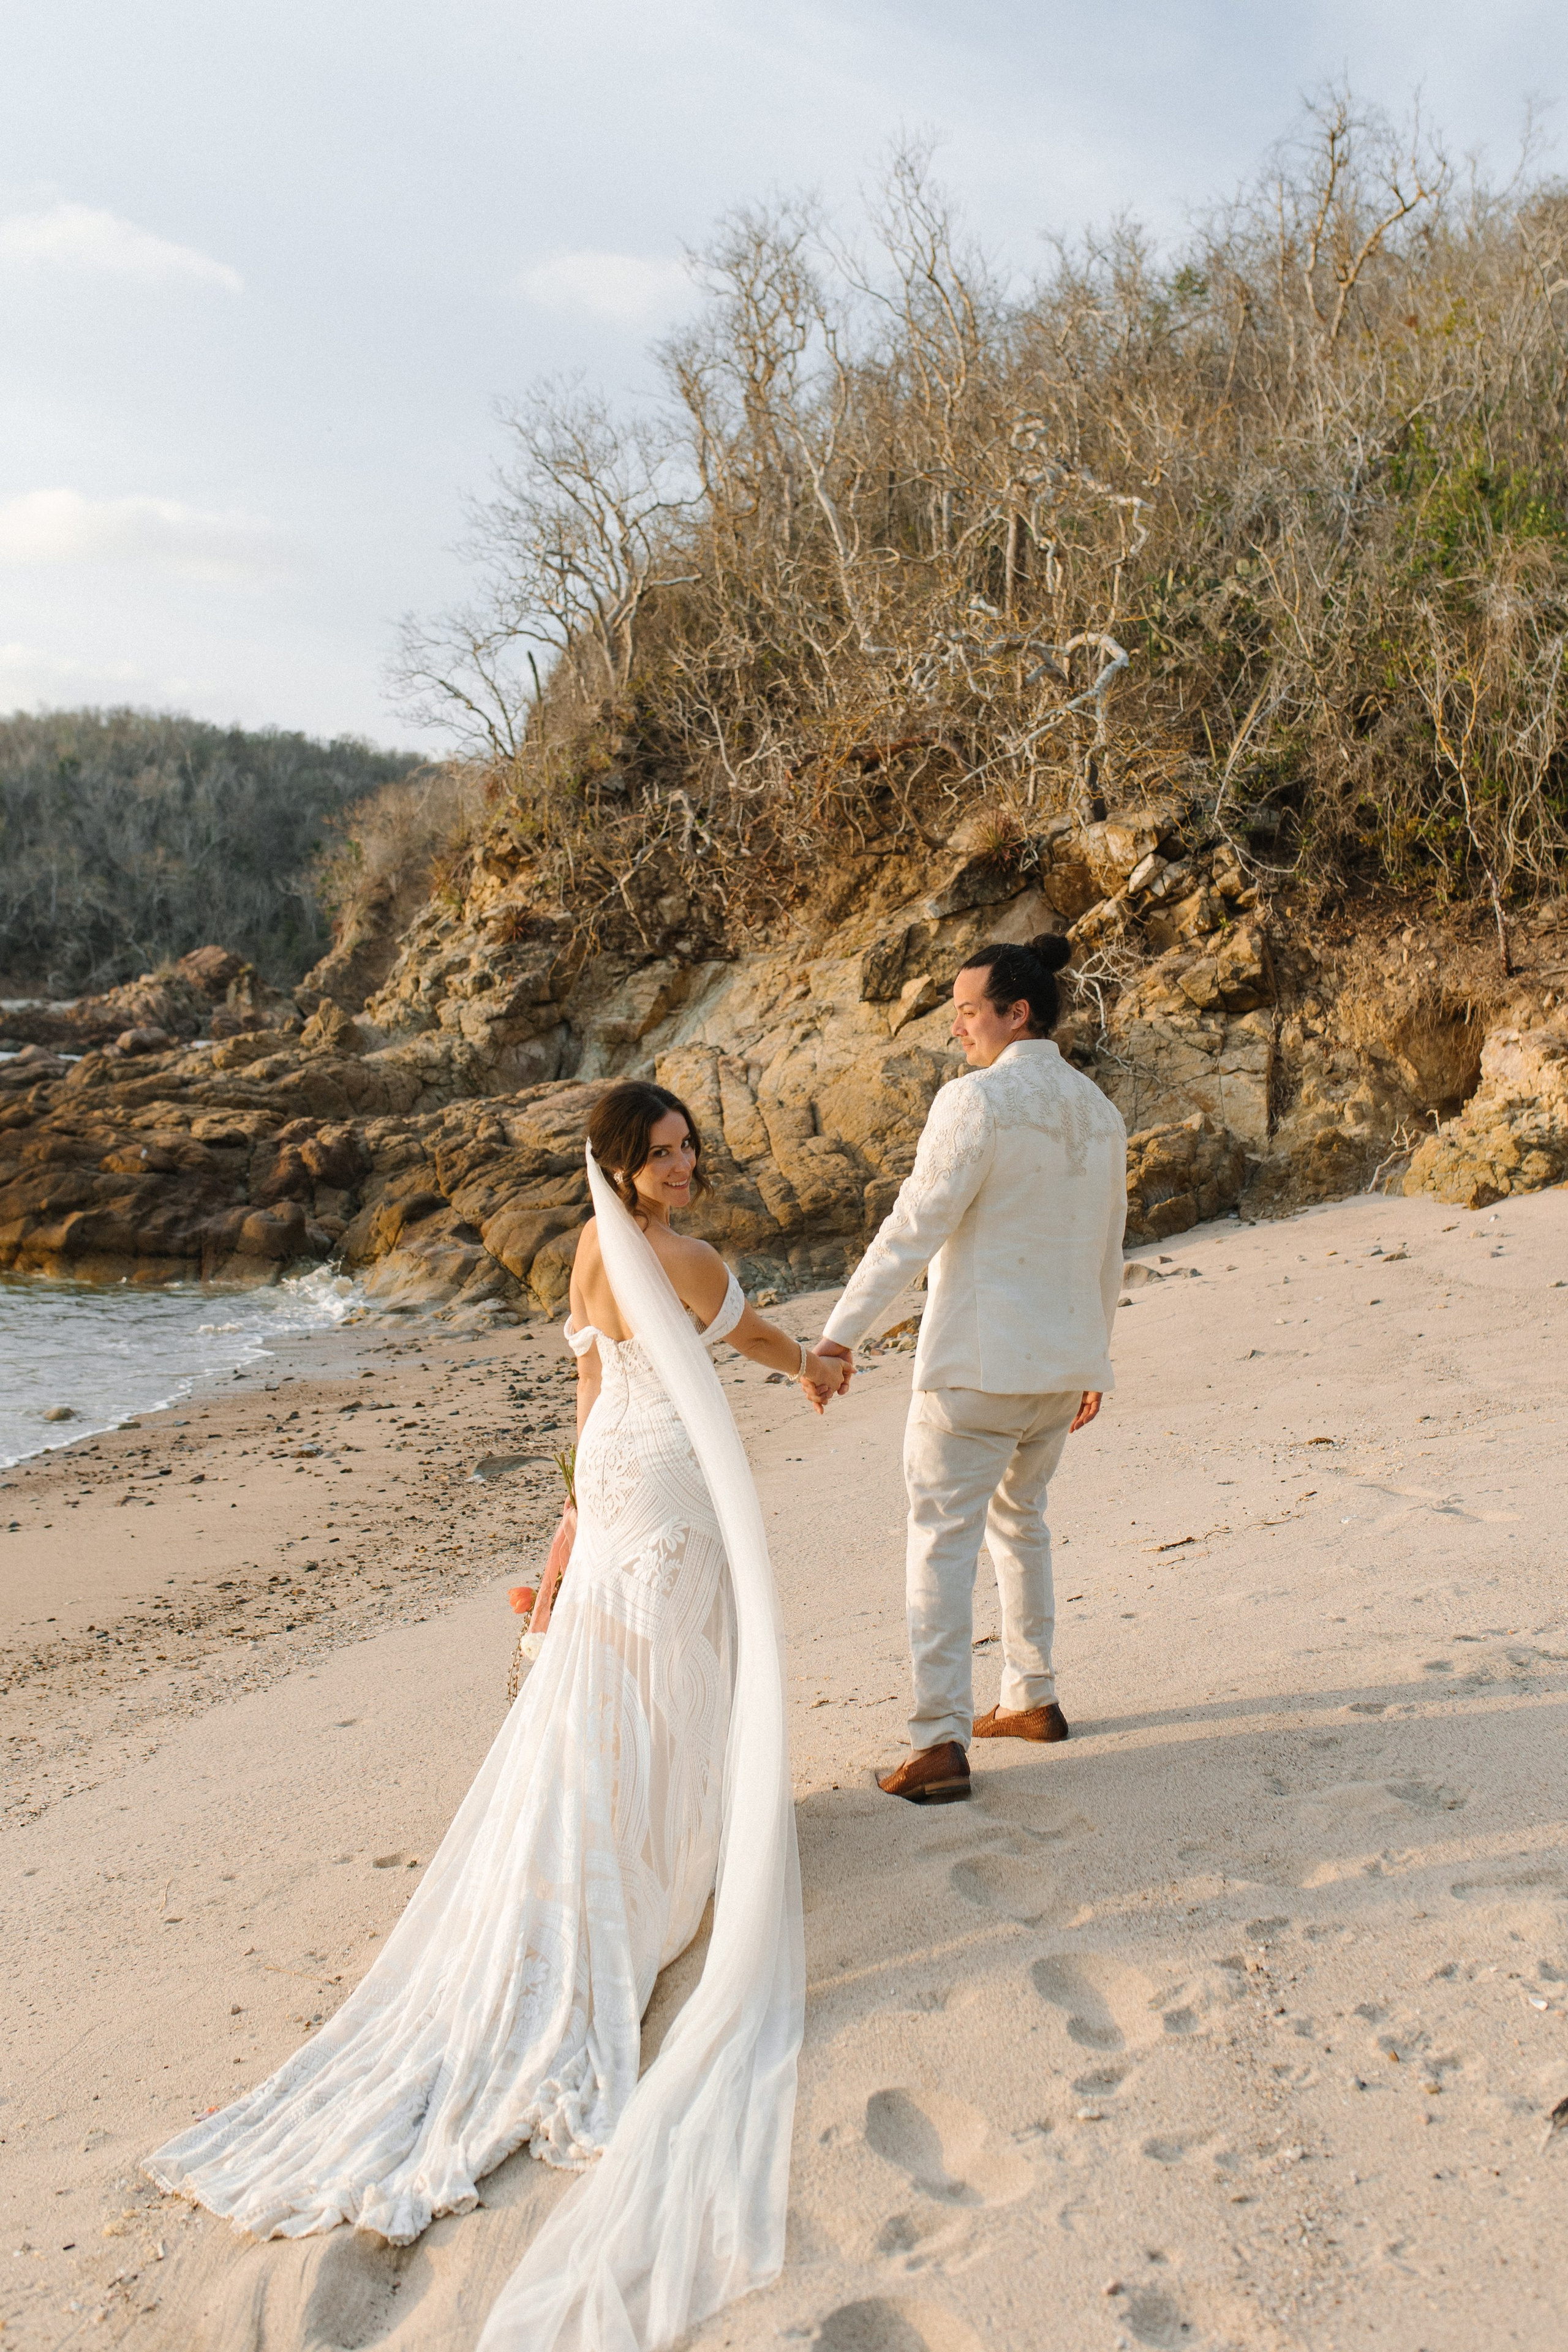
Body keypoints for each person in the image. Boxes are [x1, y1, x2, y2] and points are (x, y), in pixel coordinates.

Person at [143, 1080, 846, 2352]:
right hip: (669, 1493)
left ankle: (630, 1841)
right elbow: (750, 1344)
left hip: (622, 1483)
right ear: (623, 1166)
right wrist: (816, 1365)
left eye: (689, 1148)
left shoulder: (589, 1250)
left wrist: (568, 1529)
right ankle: (667, 1868)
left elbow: (587, 1408)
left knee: (621, 1679)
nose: (685, 1167)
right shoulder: (678, 1258)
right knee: (676, 1670)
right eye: (664, 1152)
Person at [813, 934, 1126, 1806]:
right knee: (1020, 1522)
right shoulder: (1099, 1109)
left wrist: (838, 1337)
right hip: (1060, 1365)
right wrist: (1095, 1354)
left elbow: (914, 1226)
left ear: (1014, 1012)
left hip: (977, 1369)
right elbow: (1109, 1245)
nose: (957, 1029)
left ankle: (939, 1739)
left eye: (966, 1011)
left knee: (940, 1542)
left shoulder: (974, 1101)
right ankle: (1031, 1695)